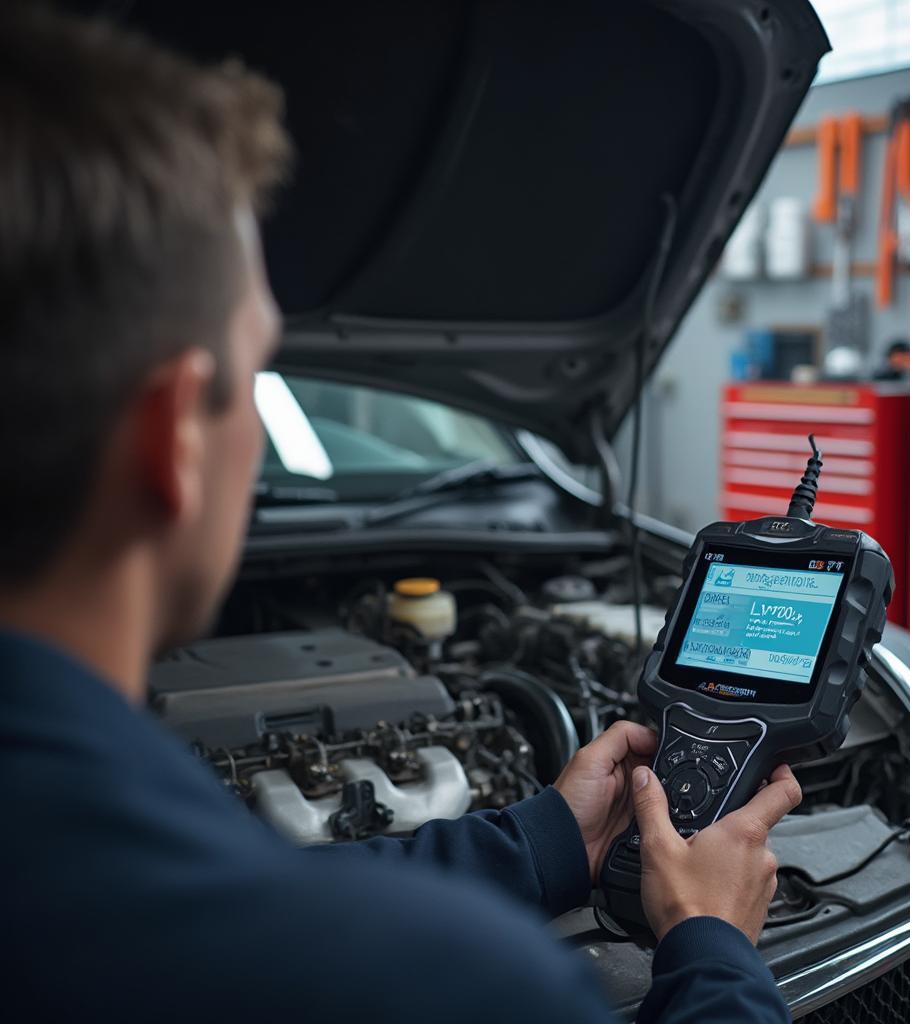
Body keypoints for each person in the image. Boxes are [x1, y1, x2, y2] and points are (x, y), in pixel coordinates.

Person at [0, 7, 801, 1022]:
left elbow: (277, 890)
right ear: (175, 437)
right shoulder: (454, 983)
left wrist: (549, 836)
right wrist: (714, 948)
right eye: (256, 371)